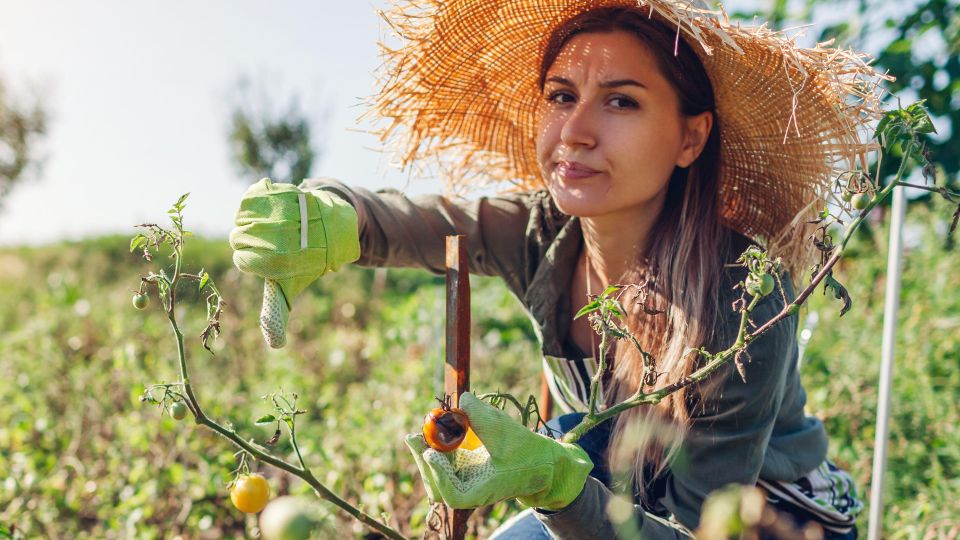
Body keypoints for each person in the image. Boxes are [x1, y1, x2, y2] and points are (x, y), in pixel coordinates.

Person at [230, 1, 889, 537]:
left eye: (621, 101)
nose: (574, 130)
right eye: (561, 94)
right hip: (617, 481)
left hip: (765, 517)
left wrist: (559, 484)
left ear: (691, 137)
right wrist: (326, 220)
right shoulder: (541, 233)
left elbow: (695, 528)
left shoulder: (742, 293)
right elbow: (396, 222)